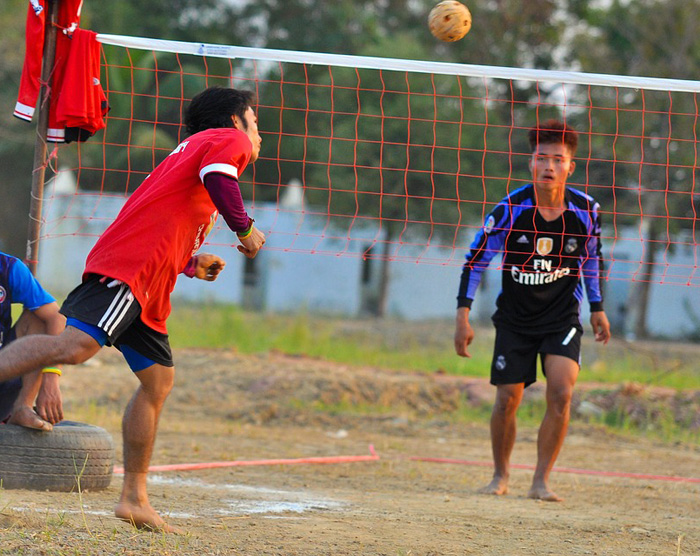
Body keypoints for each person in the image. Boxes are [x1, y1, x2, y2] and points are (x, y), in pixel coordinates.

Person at [0, 86, 266, 532]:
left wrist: (188, 262)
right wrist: (246, 230)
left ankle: (134, 499)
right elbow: (221, 179)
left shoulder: (190, 151)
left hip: (151, 283)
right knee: (75, 346)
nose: (258, 134)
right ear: (235, 120)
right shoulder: (226, 140)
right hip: (131, 272)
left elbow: (158, 216)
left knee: (157, 382)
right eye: (255, 123)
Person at [454, 119, 610, 502]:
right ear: (530, 162)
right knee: (508, 398)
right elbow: (475, 262)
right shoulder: (510, 209)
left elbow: (592, 260)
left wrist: (597, 307)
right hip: (515, 320)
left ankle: (541, 481)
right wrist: (463, 315)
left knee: (561, 393)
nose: (549, 166)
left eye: (558, 159)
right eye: (542, 157)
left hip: (561, 319)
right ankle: (500, 476)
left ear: (570, 166)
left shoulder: (587, 211)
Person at [0, 252, 65, 430]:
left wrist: (51, 377)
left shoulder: (9, 267)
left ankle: (22, 407)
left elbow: (57, 318)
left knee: (39, 318)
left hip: (4, 371)